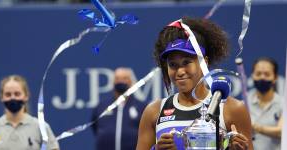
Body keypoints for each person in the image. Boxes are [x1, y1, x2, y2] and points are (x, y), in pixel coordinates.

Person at [136, 17, 253, 150]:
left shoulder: (233, 109)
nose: (180, 71)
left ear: (205, 62)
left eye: (186, 62)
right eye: (173, 64)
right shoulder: (153, 112)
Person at [0, 75, 59, 150]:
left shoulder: (41, 127)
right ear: (1, 97)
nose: (12, 97)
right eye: (8, 94)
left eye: (17, 94)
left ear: (26, 96)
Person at [92, 67, 146, 150]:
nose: (120, 81)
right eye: (117, 78)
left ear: (130, 82)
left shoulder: (141, 107)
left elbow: (146, 132)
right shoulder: (102, 106)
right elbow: (95, 127)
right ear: (113, 81)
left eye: (124, 78)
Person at [248, 57, 282, 150]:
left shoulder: (284, 104)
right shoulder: (242, 104)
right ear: (252, 76)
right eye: (258, 74)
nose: (262, 77)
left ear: (275, 78)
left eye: (267, 74)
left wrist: (255, 127)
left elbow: (282, 131)